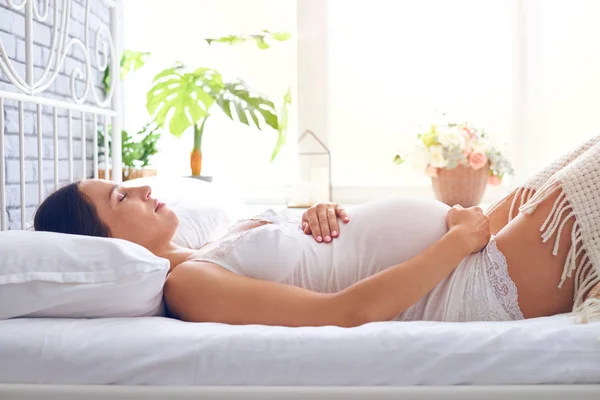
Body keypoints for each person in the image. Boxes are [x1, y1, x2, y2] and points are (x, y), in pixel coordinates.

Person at [33, 137, 600, 327]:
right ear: (107, 244)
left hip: (470, 246)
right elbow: (343, 314)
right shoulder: (187, 286)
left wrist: (315, 214)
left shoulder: (208, 246)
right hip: (462, 281)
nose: (143, 189)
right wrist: (457, 240)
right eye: (120, 198)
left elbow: (317, 255)